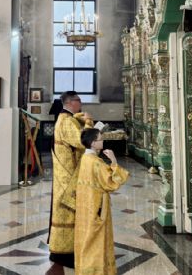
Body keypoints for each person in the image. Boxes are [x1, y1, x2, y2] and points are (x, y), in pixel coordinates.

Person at [47, 91, 94, 273]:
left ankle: (65, 252)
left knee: (66, 213)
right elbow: (83, 141)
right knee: (68, 213)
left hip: (66, 174)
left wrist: (80, 120)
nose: (81, 103)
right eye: (79, 100)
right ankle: (65, 255)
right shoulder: (67, 121)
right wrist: (88, 122)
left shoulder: (67, 119)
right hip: (69, 176)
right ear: (71, 102)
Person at [74, 128, 129, 275]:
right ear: (93, 143)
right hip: (97, 207)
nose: (103, 141)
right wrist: (114, 161)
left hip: (86, 207)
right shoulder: (96, 162)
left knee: (87, 238)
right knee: (96, 239)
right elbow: (112, 182)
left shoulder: (85, 158)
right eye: (100, 139)